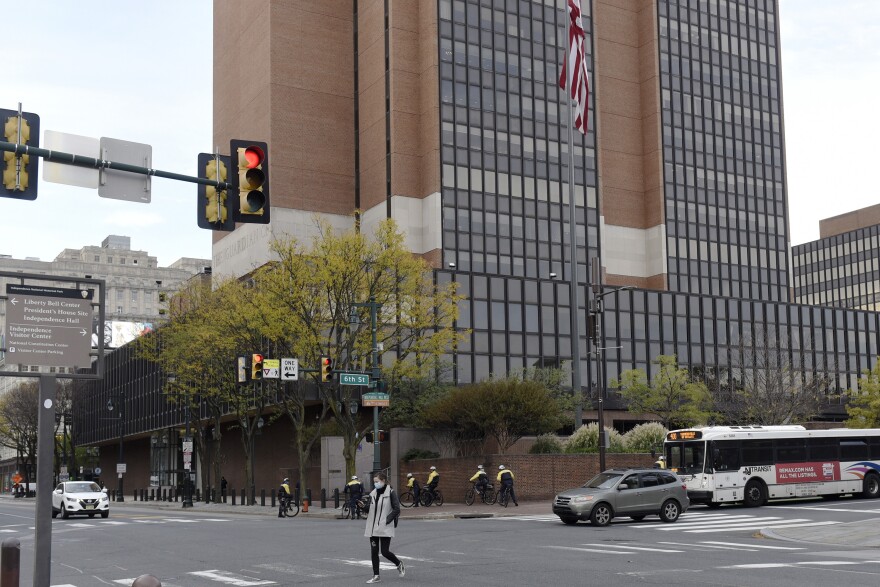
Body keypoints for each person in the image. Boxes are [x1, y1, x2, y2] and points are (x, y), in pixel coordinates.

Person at [364, 472, 404, 584]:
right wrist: (362, 506)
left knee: (385, 552)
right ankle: (376, 576)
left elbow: (397, 509)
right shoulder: (372, 494)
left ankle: (398, 563)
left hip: (385, 526)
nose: (375, 484)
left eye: (377, 481)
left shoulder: (391, 492)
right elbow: (368, 509)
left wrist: (386, 520)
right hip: (372, 527)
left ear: (383, 481)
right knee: (374, 552)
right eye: (374, 482)